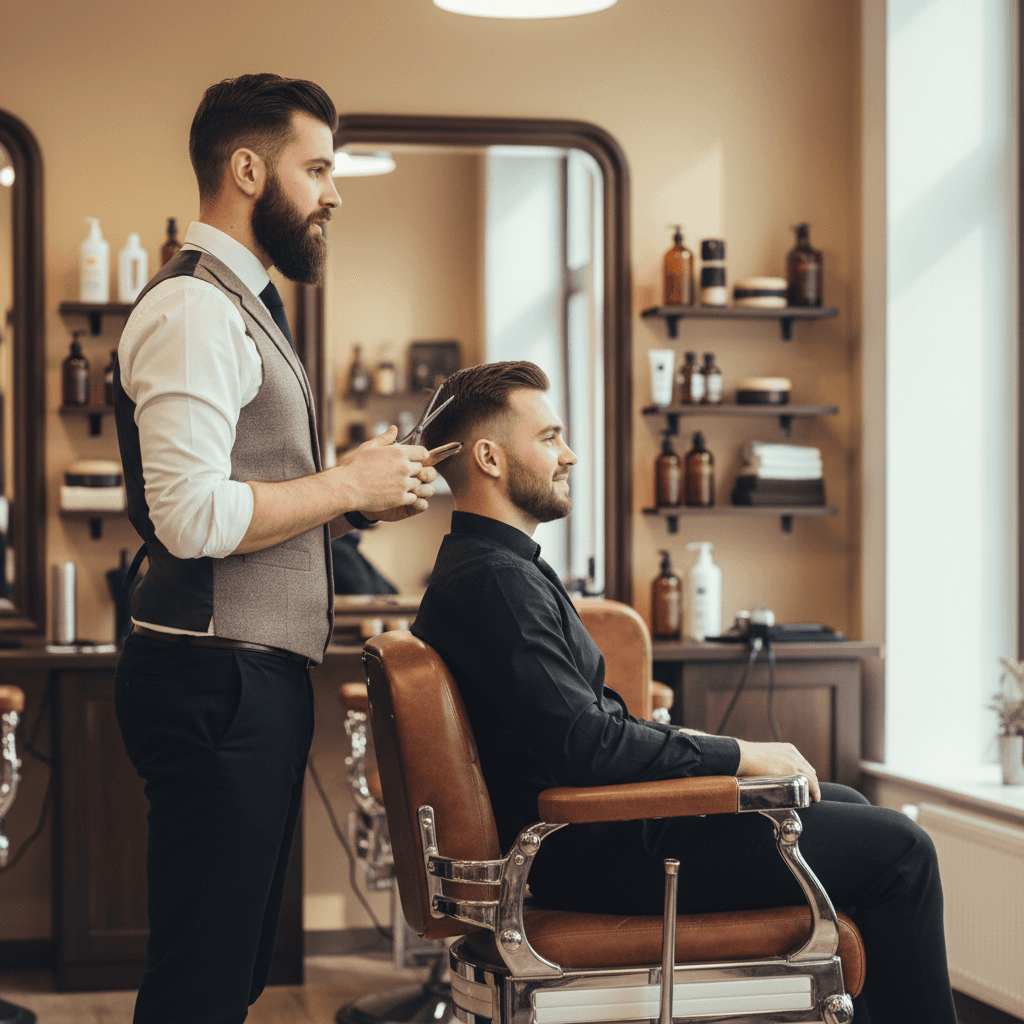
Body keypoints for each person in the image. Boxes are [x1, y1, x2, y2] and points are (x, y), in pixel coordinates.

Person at [412, 360, 957, 1024]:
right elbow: (586, 744)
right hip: (597, 850)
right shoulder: (496, 582)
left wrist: (705, 746)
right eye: (550, 437)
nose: (570, 454)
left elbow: (582, 728)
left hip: (593, 836)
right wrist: (735, 755)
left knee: (838, 799)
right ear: (490, 458)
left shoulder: (494, 568)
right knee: (902, 849)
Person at [112, 74, 443, 1024]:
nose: (334, 192)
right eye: (318, 167)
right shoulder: (194, 311)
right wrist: (343, 485)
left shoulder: (244, 304)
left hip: (249, 677)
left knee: (234, 974)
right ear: (248, 169)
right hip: (214, 681)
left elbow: (243, 506)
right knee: (200, 983)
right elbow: (189, 518)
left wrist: (358, 497)